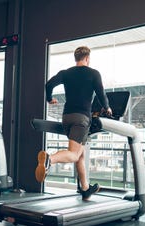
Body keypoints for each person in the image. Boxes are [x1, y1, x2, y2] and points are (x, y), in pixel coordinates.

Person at [35, 46, 112, 200]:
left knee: (80, 155)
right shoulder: (94, 73)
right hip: (81, 118)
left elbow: (48, 85)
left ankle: (85, 189)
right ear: (87, 58)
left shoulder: (66, 73)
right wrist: (107, 108)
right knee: (74, 154)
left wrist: (50, 99)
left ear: (76, 58)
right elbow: (101, 93)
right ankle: (50, 159)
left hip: (66, 117)